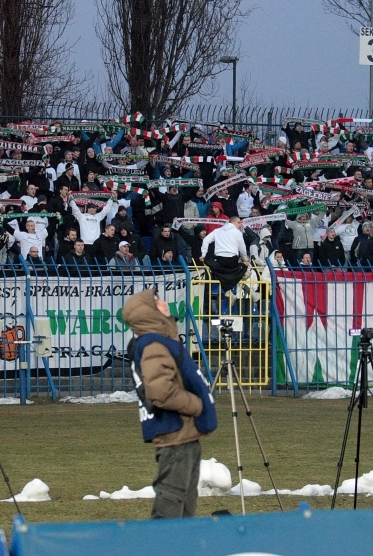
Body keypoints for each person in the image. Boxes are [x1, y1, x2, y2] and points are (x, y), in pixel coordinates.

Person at [124, 288, 217, 518]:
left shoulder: (161, 341)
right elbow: (160, 390)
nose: (164, 303)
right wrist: (196, 405)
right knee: (171, 504)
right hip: (175, 436)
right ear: (149, 312)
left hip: (184, 435)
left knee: (185, 505)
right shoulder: (154, 345)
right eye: (157, 301)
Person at [200, 216, 249, 296]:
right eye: (239, 222)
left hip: (219, 262)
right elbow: (242, 248)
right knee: (244, 267)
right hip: (232, 262)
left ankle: (228, 291)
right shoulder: (237, 233)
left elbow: (206, 240)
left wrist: (203, 254)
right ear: (233, 222)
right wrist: (244, 258)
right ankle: (234, 290)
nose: (240, 224)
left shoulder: (217, 231)